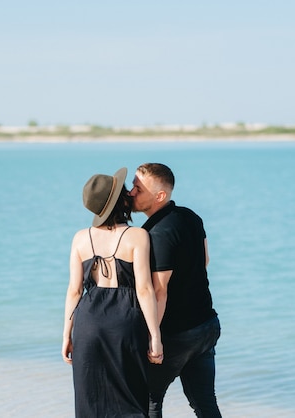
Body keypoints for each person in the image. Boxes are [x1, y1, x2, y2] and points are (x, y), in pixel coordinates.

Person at [62, 167, 164, 418]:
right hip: (125, 322)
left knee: (91, 400)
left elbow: (74, 291)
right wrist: (155, 335)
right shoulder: (137, 236)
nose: (129, 193)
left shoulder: (80, 238)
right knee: (130, 398)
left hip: (88, 322)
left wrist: (66, 333)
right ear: (121, 201)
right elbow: (144, 289)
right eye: (124, 191)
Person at [129, 163, 222, 418]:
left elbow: (159, 291)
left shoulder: (156, 233)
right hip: (206, 325)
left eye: (137, 188)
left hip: (175, 334)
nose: (131, 193)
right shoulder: (190, 216)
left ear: (160, 196)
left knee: (148, 403)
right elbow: (205, 261)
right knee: (205, 404)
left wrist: (153, 338)